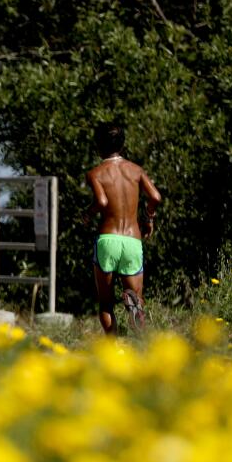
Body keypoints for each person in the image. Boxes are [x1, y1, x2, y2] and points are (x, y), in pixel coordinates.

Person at [84, 121, 162, 334]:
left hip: (108, 240)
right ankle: (137, 330)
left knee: (106, 304)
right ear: (122, 144)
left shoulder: (95, 173)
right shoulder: (135, 170)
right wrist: (148, 218)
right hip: (132, 240)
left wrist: (87, 214)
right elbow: (155, 196)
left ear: (98, 145)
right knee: (136, 297)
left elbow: (101, 202)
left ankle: (113, 348)